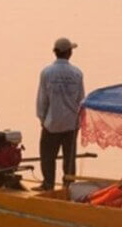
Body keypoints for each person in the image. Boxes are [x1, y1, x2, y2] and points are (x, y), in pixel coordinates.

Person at [35, 37, 84, 191]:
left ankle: (48, 184)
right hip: (71, 123)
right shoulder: (77, 73)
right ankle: (68, 186)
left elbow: (42, 99)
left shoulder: (47, 72)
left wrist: (43, 119)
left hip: (52, 122)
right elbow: (81, 100)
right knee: (69, 158)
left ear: (55, 53)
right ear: (69, 53)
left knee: (47, 156)